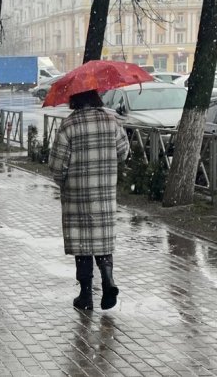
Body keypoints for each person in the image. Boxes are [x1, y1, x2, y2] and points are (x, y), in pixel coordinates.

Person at [48, 89, 129, 311]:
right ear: (95, 97)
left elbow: (56, 166)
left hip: (77, 196)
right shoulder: (111, 121)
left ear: (74, 98)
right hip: (104, 195)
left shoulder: (69, 125)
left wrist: (65, 182)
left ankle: (85, 296)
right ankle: (108, 278)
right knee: (102, 240)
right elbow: (123, 152)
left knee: (83, 245)